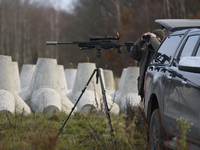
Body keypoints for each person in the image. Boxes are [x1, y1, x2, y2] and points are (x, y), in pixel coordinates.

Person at [129, 29, 165, 100]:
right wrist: (141, 40)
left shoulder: (163, 52)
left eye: (155, 38)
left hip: (155, 88)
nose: (152, 40)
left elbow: (159, 51)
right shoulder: (146, 52)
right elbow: (132, 53)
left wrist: (153, 38)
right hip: (144, 87)